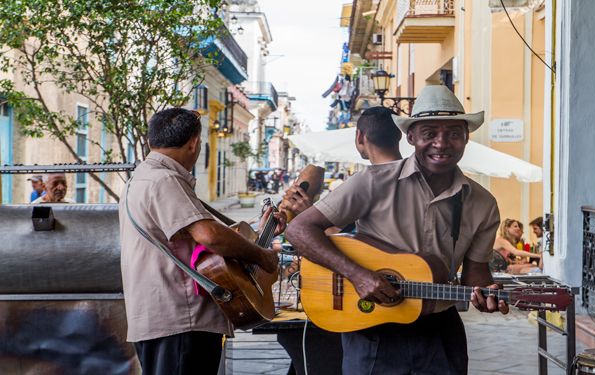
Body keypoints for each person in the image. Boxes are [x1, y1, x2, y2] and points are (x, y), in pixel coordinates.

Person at [286, 85, 508, 375]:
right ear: (411, 137)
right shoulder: (373, 182)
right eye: (430, 133)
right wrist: (358, 276)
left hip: (440, 332)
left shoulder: (483, 203)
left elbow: (475, 275)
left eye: (454, 133)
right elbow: (299, 230)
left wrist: (488, 296)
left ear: (466, 137)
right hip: (372, 328)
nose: (441, 143)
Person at [118, 108, 285, 375]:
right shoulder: (165, 179)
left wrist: (260, 229)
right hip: (180, 319)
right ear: (194, 143)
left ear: (151, 141)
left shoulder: (142, 177)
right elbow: (209, 236)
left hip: (162, 316)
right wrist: (261, 256)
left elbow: (197, 232)